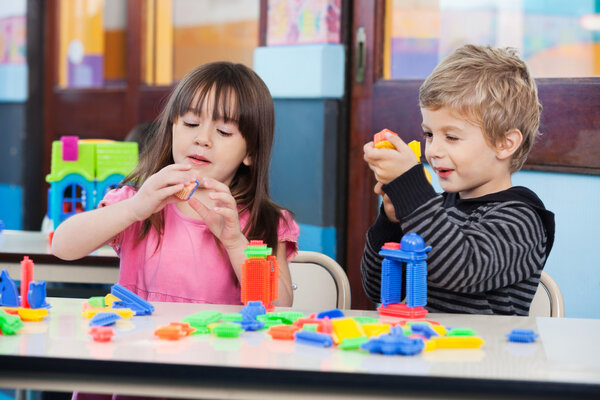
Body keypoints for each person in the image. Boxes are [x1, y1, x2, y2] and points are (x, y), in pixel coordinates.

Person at [52, 61, 299, 307]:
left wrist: (235, 243)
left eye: (223, 131)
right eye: (191, 123)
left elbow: (280, 306)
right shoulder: (142, 203)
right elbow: (62, 246)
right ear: (172, 129)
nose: (202, 139)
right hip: (138, 345)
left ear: (251, 153)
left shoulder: (264, 220)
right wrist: (133, 209)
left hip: (220, 346)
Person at [361, 44, 555, 315]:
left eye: (451, 137)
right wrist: (392, 222)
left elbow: (461, 268)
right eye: (429, 134)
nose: (434, 150)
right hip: (429, 350)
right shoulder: (434, 211)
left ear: (504, 143)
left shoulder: (521, 220)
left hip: (487, 355)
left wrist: (412, 191)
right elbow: (378, 287)